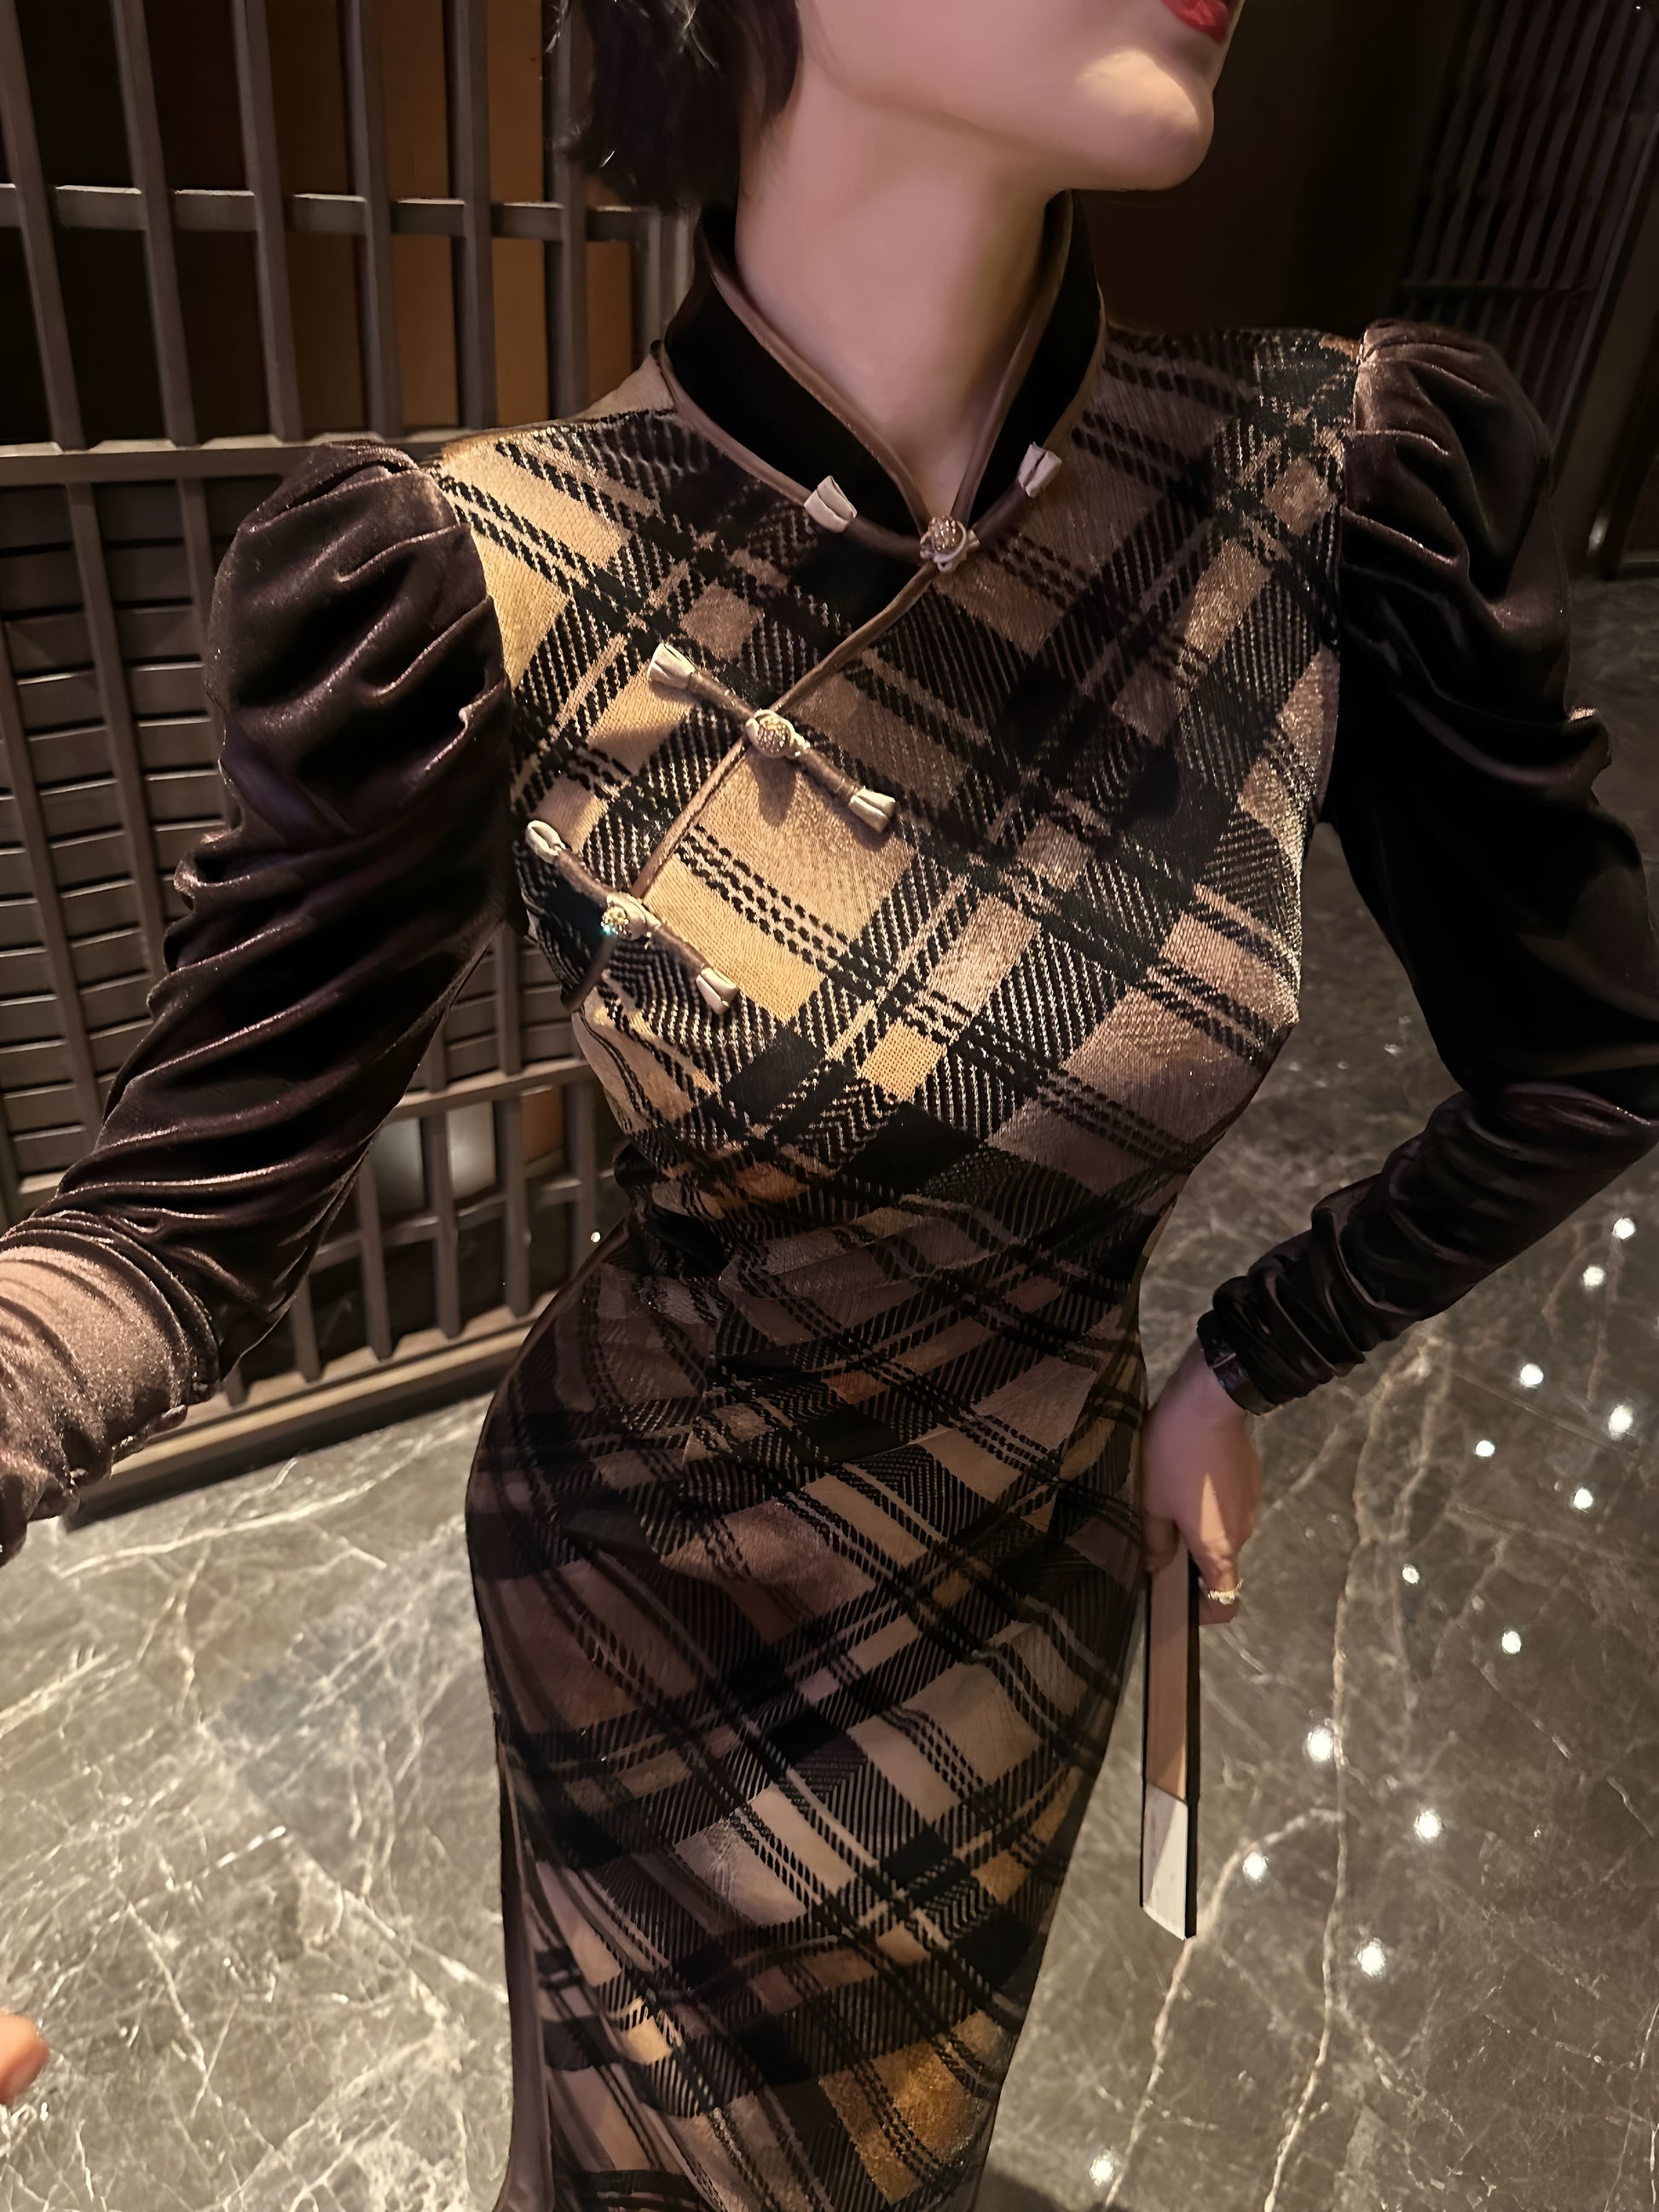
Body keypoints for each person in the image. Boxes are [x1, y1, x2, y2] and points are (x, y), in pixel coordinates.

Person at [4, 0, 1659, 2202]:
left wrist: (1249, 1352)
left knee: (905, 2150)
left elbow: (1588, 1052)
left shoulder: (1323, 499)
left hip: (1026, 1592)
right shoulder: (484, 574)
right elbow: (159, 1230)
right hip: (646, 1620)